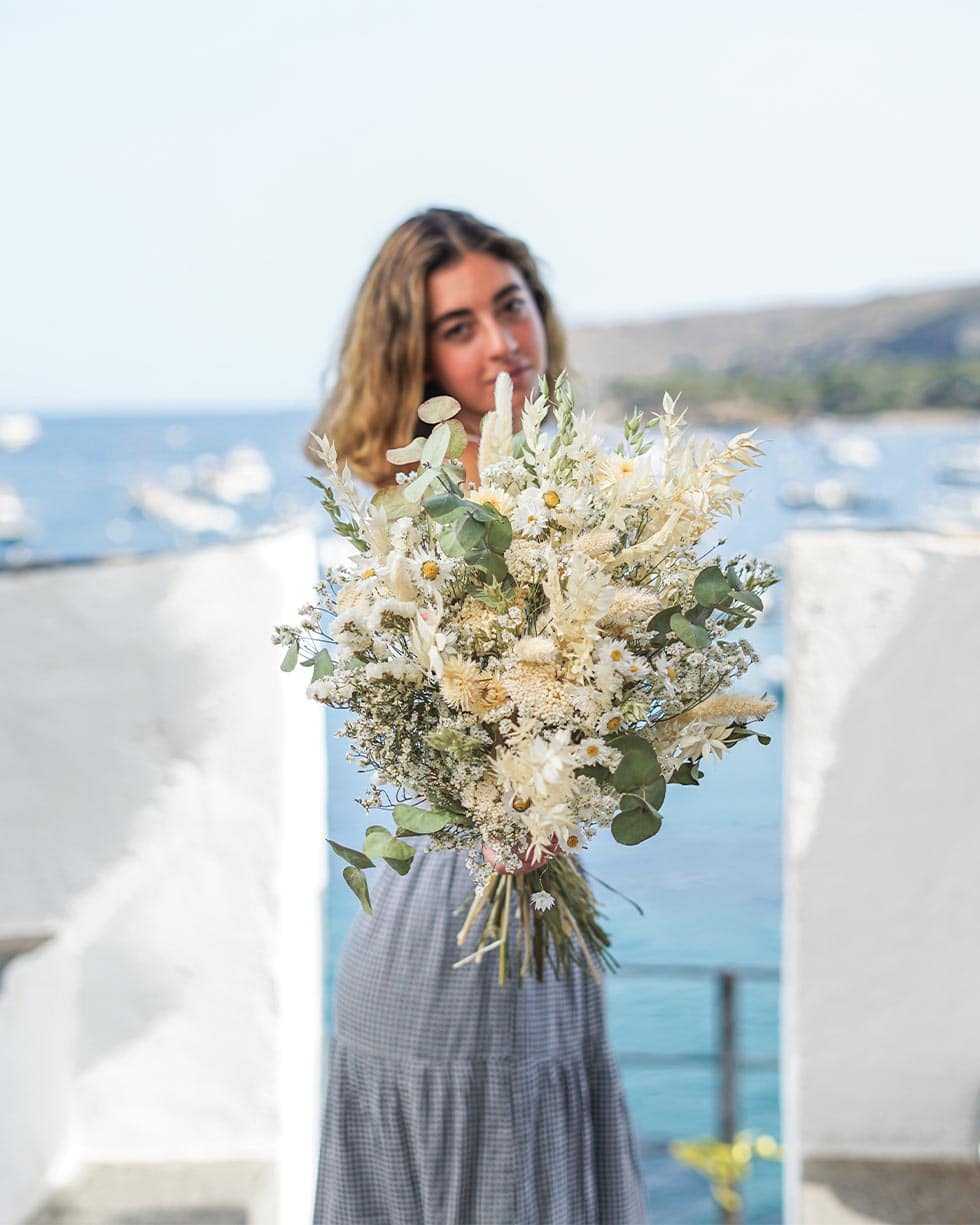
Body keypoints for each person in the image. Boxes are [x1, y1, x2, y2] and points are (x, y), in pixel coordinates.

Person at [309, 208, 647, 1225]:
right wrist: (508, 804)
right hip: (448, 929)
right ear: (416, 358)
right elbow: (440, 734)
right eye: (459, 325)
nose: (504, 342)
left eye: (511, 305)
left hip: (538, 909)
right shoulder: (415, 524)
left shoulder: (563, 499)